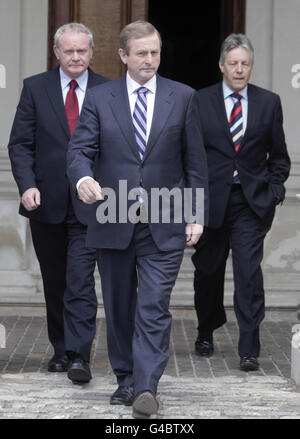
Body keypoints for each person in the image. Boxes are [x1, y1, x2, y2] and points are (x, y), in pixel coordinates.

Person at [67, 21, 208, 418]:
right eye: (142, 53)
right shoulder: (99, 98)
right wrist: (83, 178)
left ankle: (146, 386)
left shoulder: (183, 97)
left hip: (164, 221)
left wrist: (195, 214)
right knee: (119, 305)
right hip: (112, 217)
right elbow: (79, 150)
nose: (150, 60)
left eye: (155, 52)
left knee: (153, 305)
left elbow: (195, 162)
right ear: (123, 55)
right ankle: (125, 378)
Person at [8, 23, 108, 383]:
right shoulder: (35, 88)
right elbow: (20, 143)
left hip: (91, 206)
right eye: (70, 51)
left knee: (80, 281)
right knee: (55, 281)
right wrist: (26, 185)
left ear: (92, 52)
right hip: (45, 203)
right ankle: (61, 349)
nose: (76, 56)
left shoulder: (107, 90)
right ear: (57, 52)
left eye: (82, 50)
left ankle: (79, 356)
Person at [191, 34, 291, 371]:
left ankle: (249, 346)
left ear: (251, 67)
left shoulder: (268, 102)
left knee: (248, 273)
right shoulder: (199, 101)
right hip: (210, 200)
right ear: (221, 65)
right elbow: (190, 154)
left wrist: (274, 190)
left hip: (250, 202)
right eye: (232, 63)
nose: (239, 69)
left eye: (244, 64)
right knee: (208, 270)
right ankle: (206, 328)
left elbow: (279, 156)